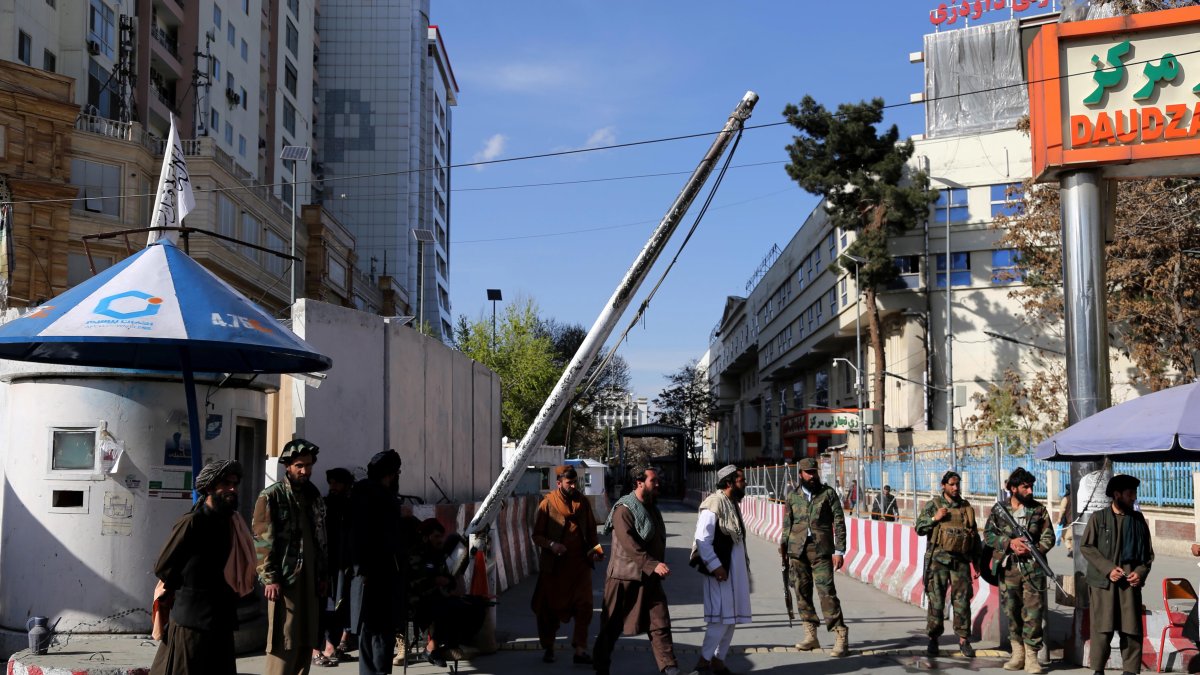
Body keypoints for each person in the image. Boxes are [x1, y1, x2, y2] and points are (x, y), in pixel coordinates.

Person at [150, 460, 256, 675]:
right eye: (226, 484)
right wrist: (185, 588)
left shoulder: (231, 523)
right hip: (192, 622)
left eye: (235, 484)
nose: (232, 489)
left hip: (222, 620)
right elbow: (164, 566)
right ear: (209, 488)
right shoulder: (192, 522)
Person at [592, 466, 693, 675]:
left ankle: (670, 668)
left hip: (649, 578)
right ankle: (601, 665)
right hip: (624, 578)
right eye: (653, 481)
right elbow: (630, 545)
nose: (657, 484)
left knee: (660, 623)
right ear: (639, 483)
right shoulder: (624, 510)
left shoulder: (651, 507)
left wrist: (653, 566)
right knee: (611, 626)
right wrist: (652, 564)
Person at [253, 439, 328, 675]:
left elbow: (321, 538)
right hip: (286, 580)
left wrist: (322, 574)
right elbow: (262, 541)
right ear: (287, 466)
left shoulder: (313, 495)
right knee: (284, 639)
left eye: (308, 465)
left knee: (307, 637)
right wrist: (270, 578)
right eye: (299, 466)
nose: (305, 471)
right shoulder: (272, 496)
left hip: (311, 579)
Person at [1081, 474, 1154, 675]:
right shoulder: (1098, 518)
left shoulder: (1138, 520)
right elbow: (1086, 546)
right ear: (1117, 494)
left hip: (1129, 584)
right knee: (1102, 630)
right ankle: (1098, 670)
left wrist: (1140, 573)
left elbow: (1148, 555)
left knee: (1131, 630)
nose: (1133, 498)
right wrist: (1108, 569)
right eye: (1130, 493)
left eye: (1134, 493)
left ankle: (1130, 671)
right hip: (1103, 584)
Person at [984, 467, 1055, 674]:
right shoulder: (999, 510)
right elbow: (988, 535)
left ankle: (1032, 657)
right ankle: (1018, 654)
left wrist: (1034, 549)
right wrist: (1010, 543)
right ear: (1013, 488)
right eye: (1025, 487)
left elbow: (1049, 536)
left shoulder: (1039, 510)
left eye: (1031, 486)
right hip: (1009, 568)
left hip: (1033, 568)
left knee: (1033, 612)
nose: (1030, 491)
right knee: (1012, 611)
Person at [531, 465, 603, 665]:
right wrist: (552, 545)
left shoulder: (583, 502)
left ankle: (580, 650)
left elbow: (591, 531)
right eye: (569, 483)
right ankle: (549, 647)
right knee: (548, 610)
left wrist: (597, 551)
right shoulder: (547, 504)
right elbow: (537, 535)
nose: (573, 486)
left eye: (574, 482)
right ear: (559, 483)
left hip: (580, 566)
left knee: (585, 606)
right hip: (554, 569)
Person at [780, 457, 849, 657]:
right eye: (808, 472)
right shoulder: (793, 496)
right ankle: (811, 635)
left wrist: (839, 551)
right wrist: (784, 547)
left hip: (821, 550)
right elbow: (787, 524)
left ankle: (840, 636)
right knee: (801, 593)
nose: (812, 476)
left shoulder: (828, 494)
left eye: (814, 472)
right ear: (800, 474)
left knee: (827, 593)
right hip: (797, 550)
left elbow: (839, 522)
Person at [690, 465, 751, 675]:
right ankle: (703, 662)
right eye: (741, 480)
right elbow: (702, 539)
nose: (745, 483)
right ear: (729, 482)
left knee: (731, 619)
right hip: (719, 572)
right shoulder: (714, 503)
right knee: (719, 619)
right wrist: (716, 566)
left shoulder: (731, 503)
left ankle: (718, 660)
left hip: (735, 573)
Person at [349, 449, 405, 675]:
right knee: (380, 633)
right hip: (380, 575)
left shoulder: (360, 494)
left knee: (368, 632)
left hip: (366, 574)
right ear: (391, 474)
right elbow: (379, 539)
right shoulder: (381, 498)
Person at [916, 471, 978, 658]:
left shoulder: (966, 507)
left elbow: (974, 536)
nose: (955, 487)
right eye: (951, 484)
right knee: (936, 601)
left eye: (957, 484)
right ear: (943, 485)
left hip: (960, 562)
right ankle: (933, 639)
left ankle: (964, 640)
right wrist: (934, 518)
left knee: (962, 601)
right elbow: (919, 528)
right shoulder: (934, 505)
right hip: (938, 562)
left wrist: (977, 562)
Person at [317, 467, 355, 666]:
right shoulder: (325, 505)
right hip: (328, 565)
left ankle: (336, 644)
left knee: (342, 606)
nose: (333, 487)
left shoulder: (351, 506)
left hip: (346, 565)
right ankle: (326, 646)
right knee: (328, 607)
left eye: (337, 483)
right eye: (331, 483)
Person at [1058, 485, 1074, 557]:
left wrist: (1059, 518)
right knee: (1072, 537)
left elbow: (1062, 509)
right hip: (1077, 521)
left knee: (1064, 537)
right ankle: (1072, 549)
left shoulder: (1066, 498)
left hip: (1068, 522)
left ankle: (1071, 549)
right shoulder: (1077, 498)